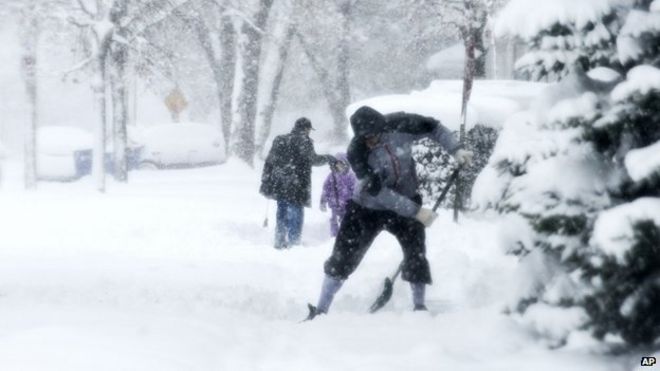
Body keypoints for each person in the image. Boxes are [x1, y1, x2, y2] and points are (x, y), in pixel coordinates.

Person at [306, 106, 474, 319]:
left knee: (416, 253)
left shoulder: (401, 124)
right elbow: (378, 192)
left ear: (381, 127)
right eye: (363, 137)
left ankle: (419, 307)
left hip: (407, 196)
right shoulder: (356, 151)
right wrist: (416, 211)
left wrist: (456, 149)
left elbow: (434, 127)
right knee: (343, 256)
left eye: (372, 136)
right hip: (366, 207)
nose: (369, 142)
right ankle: (321, 309)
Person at [260, 117, 336, 249]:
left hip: (280, 183)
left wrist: (266, 179)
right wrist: (329, 158)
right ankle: (293, 244)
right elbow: (313, 160)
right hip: (297, 184)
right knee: (296, 212)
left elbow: (269, 161)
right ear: (306, 129)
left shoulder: (279, 139)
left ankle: (279, 242)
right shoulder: (304, 141)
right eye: (309, 130)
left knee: (282, 211)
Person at [320, 153, 357, 237]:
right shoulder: (332, 176)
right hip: (334, 205)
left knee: (346, 221)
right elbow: (326, 189)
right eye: (337, 164)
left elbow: (355, 191)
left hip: (347, 205)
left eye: (341, 164)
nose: (339, 167)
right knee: (334, 221)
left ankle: (347, 235)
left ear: (346, 164)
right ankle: (334, 236)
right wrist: (323, 200)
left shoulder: (350, 177)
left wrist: (354, 202)